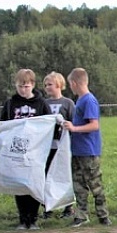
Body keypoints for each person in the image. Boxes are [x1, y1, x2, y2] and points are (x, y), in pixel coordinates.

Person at [0, 68, 52, 230]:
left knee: (33, 184)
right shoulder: (10, 104)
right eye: (20, 86)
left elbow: (49, 124)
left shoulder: (41, 103)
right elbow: (3, 123)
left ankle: (33, 218)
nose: (23, 90)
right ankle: (23, 219)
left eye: (26, 86)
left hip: (35, 151)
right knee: (20, 184)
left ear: (33, 85)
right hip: (16, 151)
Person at [62, 68, 111, 227]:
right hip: (77, 149)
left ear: (75, 83)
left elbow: (94, 125)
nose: (70, 87)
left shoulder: (89, 100)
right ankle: (81, 215)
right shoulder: (80, 100)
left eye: (70, 84)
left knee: (95, 184)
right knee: (79, 185)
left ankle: (103, 215)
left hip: (88, 150)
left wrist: (74, 129)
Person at [43, 71, 75, 219]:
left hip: (62, 145)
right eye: (45, 85)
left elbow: (73, 122)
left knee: (64, 174)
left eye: (50, 84)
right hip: (47, 146)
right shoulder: (44, 103)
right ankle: (47, 207)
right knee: (46, 175)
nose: (47, 87)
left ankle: (68, 208)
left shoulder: (67, 103)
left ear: (58, 85)